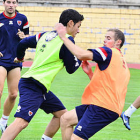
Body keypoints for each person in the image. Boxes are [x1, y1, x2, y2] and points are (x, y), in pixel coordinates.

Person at [0, 9, 84, 140]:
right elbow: (71, 68)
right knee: (22, 122)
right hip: (33, 85)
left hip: (39, 86)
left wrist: (20, 57)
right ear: (70, 23)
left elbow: (23, 43)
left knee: (62, 115)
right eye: (78, 26)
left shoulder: (45, 35)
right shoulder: (67, 41)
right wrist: (80, 57)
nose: (78, 31)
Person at [56, 24, 130, 140]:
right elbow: (107, 87)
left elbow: (80, 55)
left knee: (76, 138)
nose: (104, 40)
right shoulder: (122, 62)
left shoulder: (108, 52)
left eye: (108, 38)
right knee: (66, 119)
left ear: (118, 42)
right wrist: (90, 73)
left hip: (103, 107)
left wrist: (63, 37)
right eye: (105, 37)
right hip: (104, 105)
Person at [0, 0, 29, 134]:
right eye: (8, 2)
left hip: (15, 61)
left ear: (16, 4)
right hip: (0, 60)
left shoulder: (22, 19)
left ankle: (3, 122)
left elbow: (27, 37)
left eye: (13, 2)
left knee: (13, 94)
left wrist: (25, 37)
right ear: (4, 3)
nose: (11, 5)